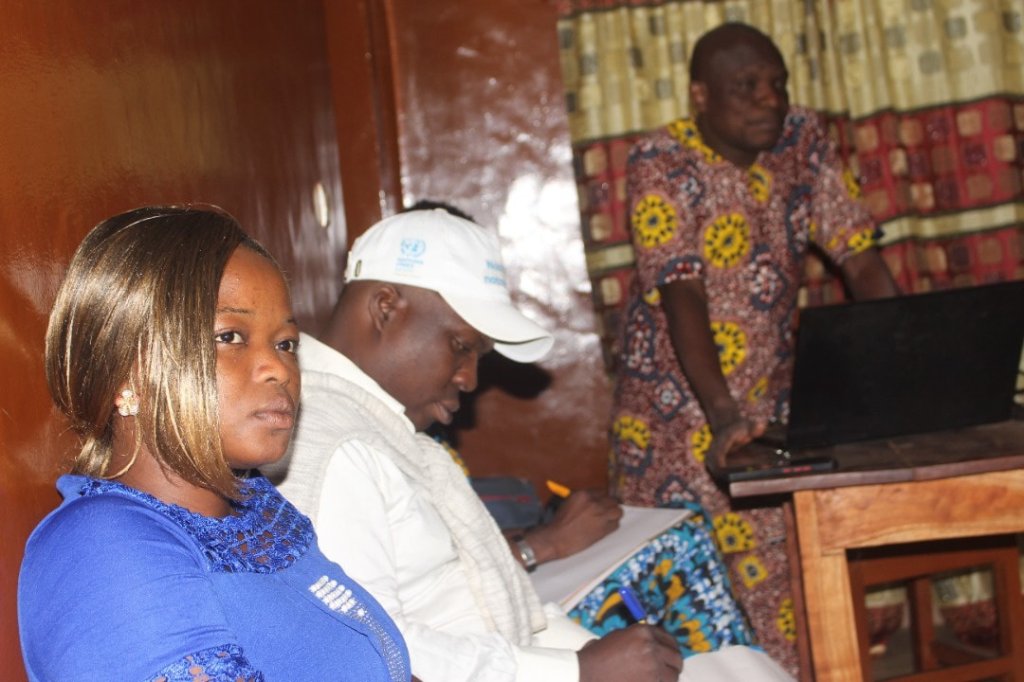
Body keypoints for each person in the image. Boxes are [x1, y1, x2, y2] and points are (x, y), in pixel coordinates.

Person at [267, 208, 793, 681]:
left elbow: (497, 607)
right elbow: (364, 648)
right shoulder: (335, 442)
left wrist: (588, 656)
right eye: (461, 346)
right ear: (385, 308)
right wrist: (579, 672)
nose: (470, 378)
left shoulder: (384, 429)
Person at [609, 22, 899, 675]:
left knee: (783, 604)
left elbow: (861, 258)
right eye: (747, 86)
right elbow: (681, 292)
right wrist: (723, 418)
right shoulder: (662, 159)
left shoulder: (802, 142)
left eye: (777, 83)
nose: (770, 99)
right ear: (700, 95)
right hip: (674, 425)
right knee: (689, 618)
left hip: (766, 420)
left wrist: (908, 368)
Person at [18, 206, 411, 681]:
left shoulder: (259, 512)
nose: (279, 369)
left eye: (286, 343)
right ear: (124, 369)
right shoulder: (101, 549)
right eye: (230, 337)